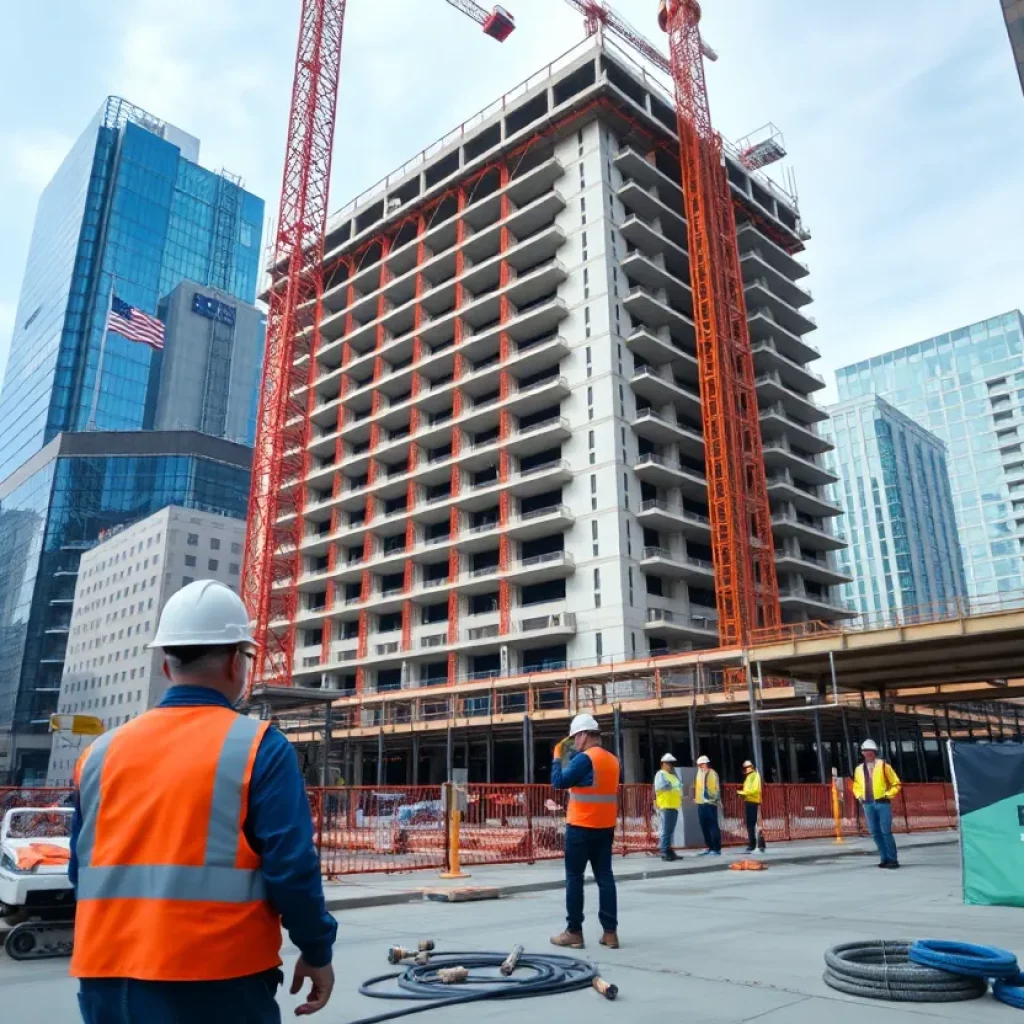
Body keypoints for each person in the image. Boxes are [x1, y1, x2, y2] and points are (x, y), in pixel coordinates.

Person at [69, 580, 338, 1022]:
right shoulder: (258, 747)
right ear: (237, 661)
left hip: (106, 976)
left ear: (166, 665)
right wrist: (316, 947)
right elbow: (292, 867)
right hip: (219, 980)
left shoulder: (98, 754)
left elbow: (80, 871)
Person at [549, 713, 620, 950]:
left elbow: (559, 782)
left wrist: (557, 757)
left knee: (574, 879)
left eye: (575, 738)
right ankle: (610, 933)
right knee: (605, 878)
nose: (574, 743)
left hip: (581, 827)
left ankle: (574, 932)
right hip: (605, 827)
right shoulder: (612, 760)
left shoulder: (584, 759)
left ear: (583, 735)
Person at [851, 738, 902, 869]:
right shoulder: (859, 769)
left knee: (886, 831)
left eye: (870, 751)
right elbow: (856, 785)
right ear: (862, 752)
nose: (868, 753)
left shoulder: (884, 766)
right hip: (868, 804)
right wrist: (859, 796)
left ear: (875, 752)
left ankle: (892, 859)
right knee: (875, 832)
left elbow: (896, 783)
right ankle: (884, 858)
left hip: (882, 803)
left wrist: (887, 795)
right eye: (865, 751)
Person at [653, 753, 682, 861]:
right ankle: (664, 851)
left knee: (670, 830)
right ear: (664, 764)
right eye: (669, 764)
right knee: (666, 830)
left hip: (673, 805)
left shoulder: (672, 775)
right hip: (666, 805)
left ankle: (669, 851)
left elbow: (678, 787)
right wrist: (674, 786)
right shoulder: (661, 774)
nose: (671, 766)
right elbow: (661, 787)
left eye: (672, 764)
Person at [693, 754, 722, 856]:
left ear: (705, 764)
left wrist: (714, 799)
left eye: (701, 765)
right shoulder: (699, 773)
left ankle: (716, 849)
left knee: (713, 826)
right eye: (699, 765)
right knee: (704, 827)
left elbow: (716, 789)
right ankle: (710, 847)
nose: (700, 767)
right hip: (701, 804)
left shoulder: (712, 773)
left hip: (710, 804)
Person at [739, 759, 763, 853]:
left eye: (746, 768)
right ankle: (754, 843)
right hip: (749, 800)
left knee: (752, 824)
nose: (745, 770)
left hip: (753, 801)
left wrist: (742, 792)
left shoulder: (754, 776)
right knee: (750, 824)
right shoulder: (749, 777)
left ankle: (754, 844)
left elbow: (754, 790)